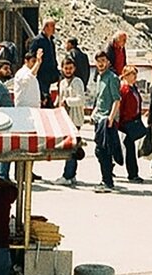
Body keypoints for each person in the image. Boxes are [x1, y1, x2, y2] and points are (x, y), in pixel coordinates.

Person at [90, 49, 122, 193]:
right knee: (100, 150)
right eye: (98, 61)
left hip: (106, 119)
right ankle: (105, 179)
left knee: (104, 151)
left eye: (103, 61)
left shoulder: (112, 78)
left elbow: (116, 99)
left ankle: (107, 181)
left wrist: (111, 118)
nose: (101, 64)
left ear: (108, 62)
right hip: (98, 118)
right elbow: (99, 99)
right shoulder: (99, 77)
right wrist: (94, 113)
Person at [56, 56, 86, 185]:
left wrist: (67, 101)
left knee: (71, 148)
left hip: (75, 119)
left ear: (74, 69)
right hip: (65, 120)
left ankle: (67, 175)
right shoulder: (62, 83)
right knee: (71, 147)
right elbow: (59, 98)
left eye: (70, 68)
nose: (68, 71)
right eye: (66, 68)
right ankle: (72, 174)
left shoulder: (77, 82)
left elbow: (81, 99)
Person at [118, 65, 145, 183]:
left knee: (129, 147)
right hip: (126, 122)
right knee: (128, 148)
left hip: (133, 120)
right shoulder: (124, 89)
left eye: (135, 74)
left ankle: (133, 173)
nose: (135, 77)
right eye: (132, 74)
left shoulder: (133, 88)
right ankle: (133, 173)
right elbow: (120, 107)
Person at [31, 18, 60, 107]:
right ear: (45, 27)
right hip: (42, 72)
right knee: (44, 95)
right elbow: (32, 55)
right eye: (52, 26)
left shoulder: (51, 41)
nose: (54, 28)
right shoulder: (38, 40)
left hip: (51, 71)